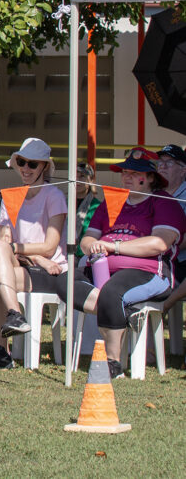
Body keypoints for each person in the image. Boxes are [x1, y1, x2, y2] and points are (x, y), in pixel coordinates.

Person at [73, 148, 184, 378]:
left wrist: (113, 247)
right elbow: (87, 239)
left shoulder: (163, 202)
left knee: (113, 292)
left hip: (147, 271)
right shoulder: (111, 203)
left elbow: (159, 244)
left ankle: (113, 362)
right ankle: (118, 312)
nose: (127, 175)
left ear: (150, 178)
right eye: (125, 171)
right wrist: (92, 246)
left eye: (135, 172)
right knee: (64, 282)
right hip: (99, 267)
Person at [0, 138, 68, 369]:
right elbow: (5, 241)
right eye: (22, 162)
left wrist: (23, 252)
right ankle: (5, 340)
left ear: (45, 167)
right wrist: (28, 255)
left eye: (32, 164)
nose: (25, 169)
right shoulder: (13, 196)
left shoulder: (54, 196)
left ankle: (6, 339)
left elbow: (49, 247)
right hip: (25, 265)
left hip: (53, 270)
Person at [155, 144, 186, 284]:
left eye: (169, 162)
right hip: (153, 256)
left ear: (183, 170)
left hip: (179, 261)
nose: (162, 166)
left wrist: (158, 246)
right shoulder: (151, 193)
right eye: (160, 162)